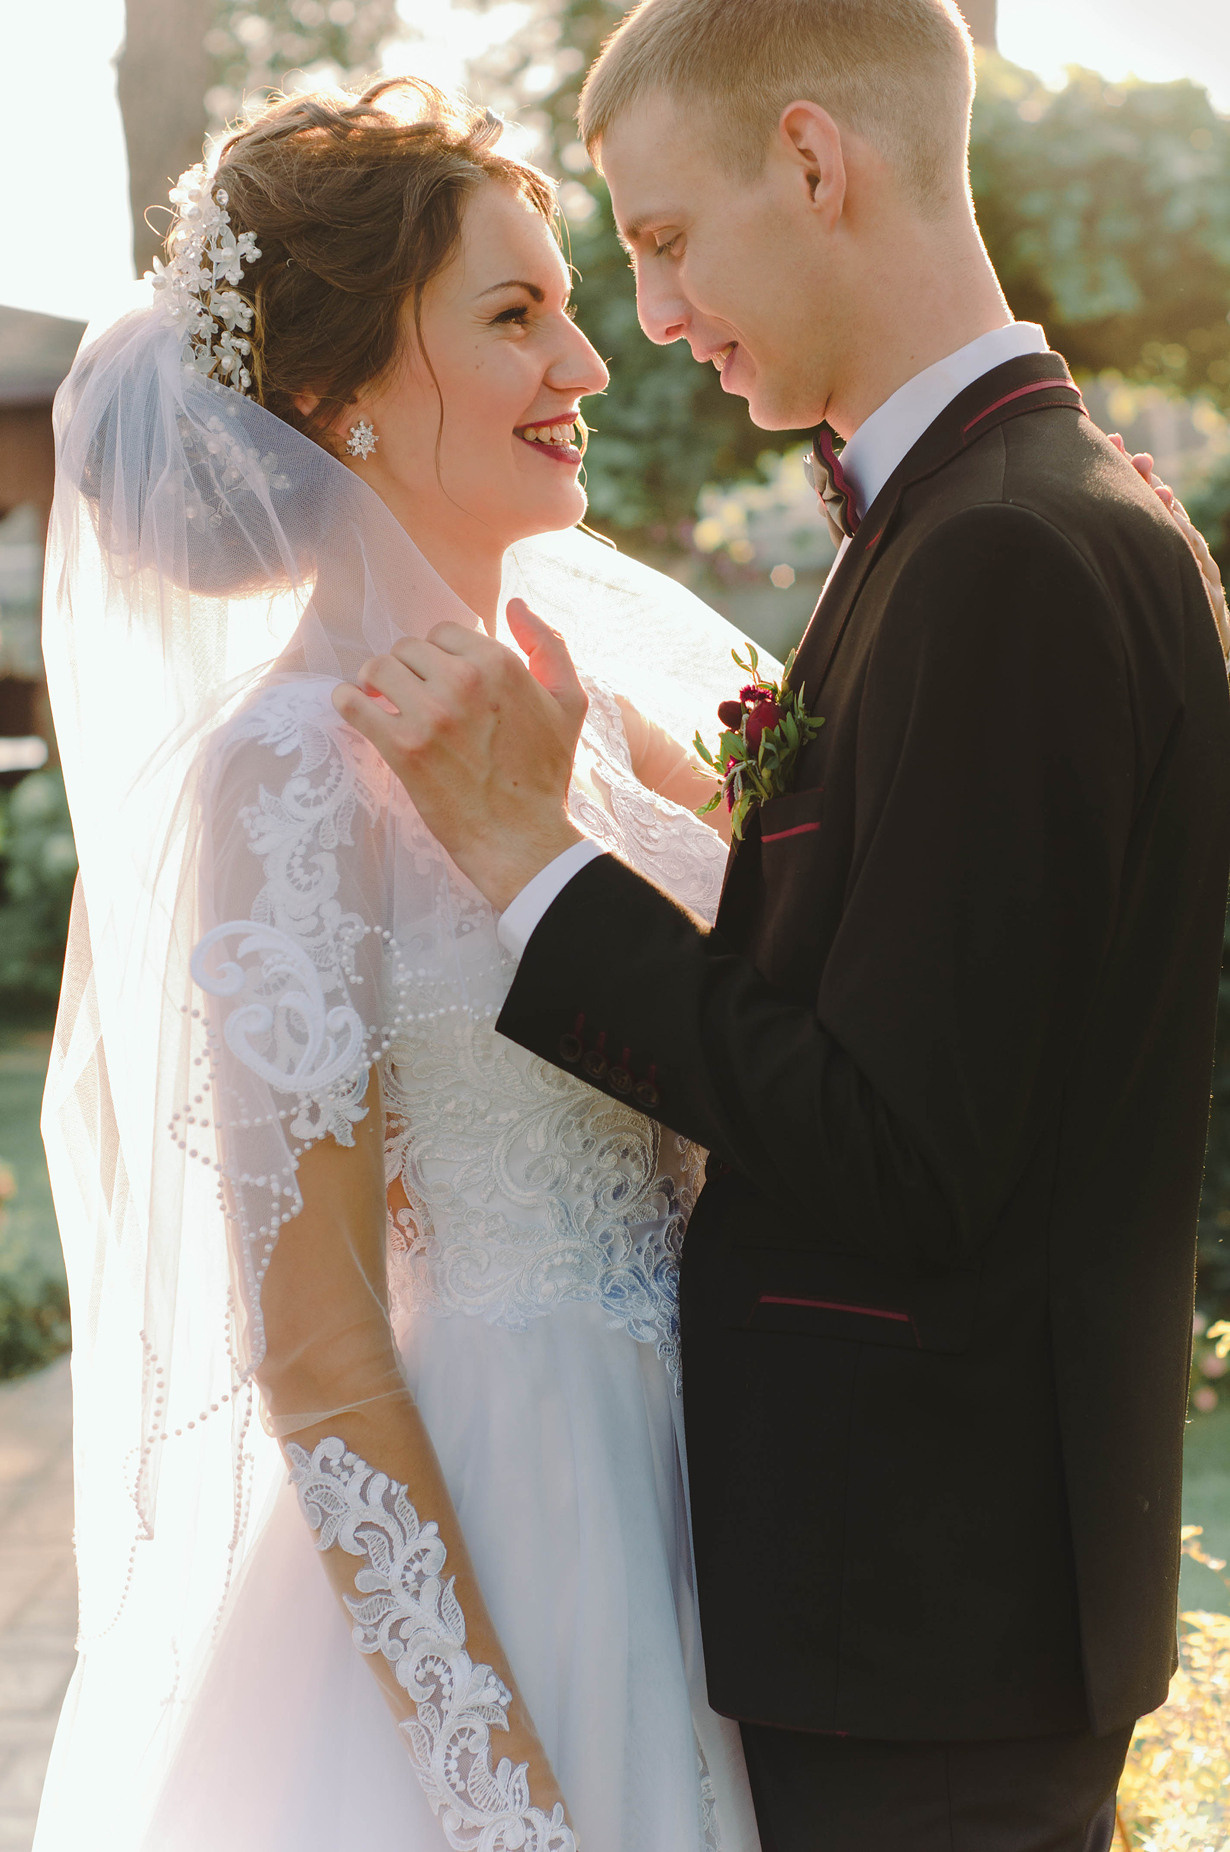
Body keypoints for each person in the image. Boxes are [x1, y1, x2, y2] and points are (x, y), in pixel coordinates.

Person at [332, 5, 1230, 1850]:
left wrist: (536, 868)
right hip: (919, 1608)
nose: (650, 317)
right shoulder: (996, 517)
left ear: (813, 162)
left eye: (660, 242)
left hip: (923, 1624)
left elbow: (902, 1149)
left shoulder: (1002, 557)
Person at [34, 79, 765, 1852]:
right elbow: (319, 1347)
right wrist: (489, 1782)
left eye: (569, 307)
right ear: (335, 401)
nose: (589, 366)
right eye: (515, 318)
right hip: (526, 1525)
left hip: (737, 1505)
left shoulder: (594, 689)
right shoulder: (288, 770)